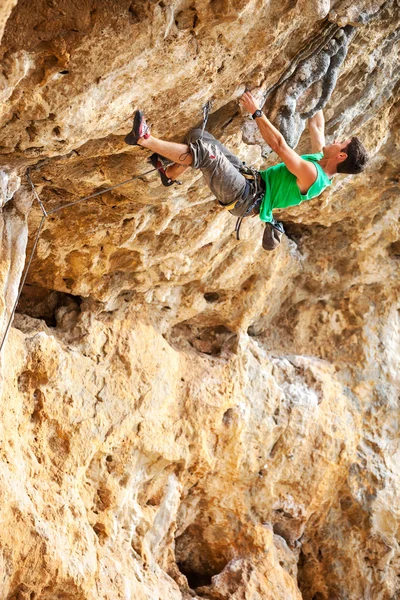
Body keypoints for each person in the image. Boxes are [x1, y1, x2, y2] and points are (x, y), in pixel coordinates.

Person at [124, 91, 369, 250]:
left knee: (209, 157)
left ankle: (144, 139)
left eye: (342, 142)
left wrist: (256, 112)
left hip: (245, 197)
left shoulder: (313, 176)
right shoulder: (322, 157)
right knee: (199, 137)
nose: (336, 140)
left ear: (342, 156)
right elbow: (316, 124)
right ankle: (170, 174)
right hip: (249, 180)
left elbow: (279, 145)